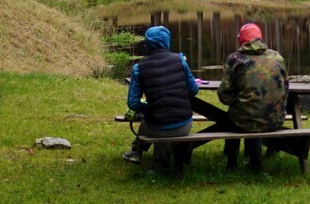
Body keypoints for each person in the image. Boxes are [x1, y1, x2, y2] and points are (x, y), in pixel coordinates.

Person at [123, 25, 199, 168]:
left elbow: (133, 104)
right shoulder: (180, 60)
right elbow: (193, 90)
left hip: (156, 127)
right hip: (184, 124)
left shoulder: (138, 68)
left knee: (151, 117)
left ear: (147, 44)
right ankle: (142, 154)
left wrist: (146, 108)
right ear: (167, 41)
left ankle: (137, 151)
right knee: (155, 115)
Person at [217, 22, 289, 170]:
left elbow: (224, 95)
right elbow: (285, 89)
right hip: (275, 120)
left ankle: (231, 161)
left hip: (245, 121)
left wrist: (238, 100)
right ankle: (254, 159)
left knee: (236, 115)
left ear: (241, 39)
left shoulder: (235, 59)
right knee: (251, 110)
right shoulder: (277, 57)